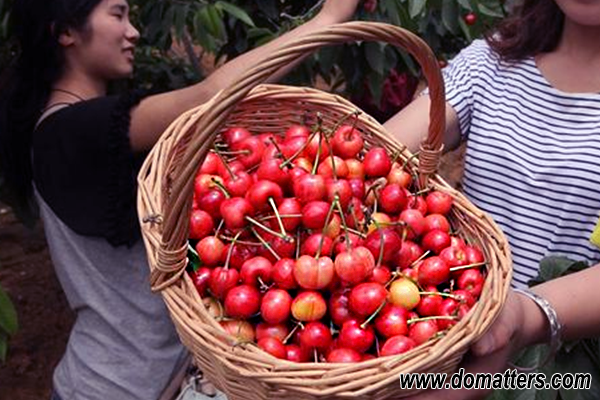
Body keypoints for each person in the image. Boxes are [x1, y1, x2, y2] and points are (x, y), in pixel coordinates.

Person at [0, 1, 361, 399]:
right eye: (118, 14)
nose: (133, 31)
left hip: (144, 381)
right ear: (66, 32)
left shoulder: (87, 136)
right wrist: (328, 20)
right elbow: (212, 96)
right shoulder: (66, 132)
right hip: (114, 387)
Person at [383, 0, 600, 398]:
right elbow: (374, 160)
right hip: (441, 340)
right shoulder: (492, 63)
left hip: (558, 376)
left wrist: (526, 314)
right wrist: (327, 22)